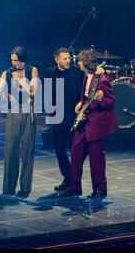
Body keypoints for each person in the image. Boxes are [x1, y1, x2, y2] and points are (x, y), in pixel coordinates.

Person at [60, 49, 118, 198]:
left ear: (85, 63)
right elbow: (87, 96)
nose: (77, 63)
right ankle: (74, 187)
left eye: (79, 61)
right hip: (85, 120)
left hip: (96, 124)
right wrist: (82, 103)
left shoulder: (102, 80)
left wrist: (99, 101)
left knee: (96, 157)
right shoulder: (87, 77)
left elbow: (110, 101)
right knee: (76, 150)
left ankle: (100, 188)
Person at [0, 46, 39, 196]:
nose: (14, 63)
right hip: (13, 111)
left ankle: (25, 186)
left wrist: (19, 83)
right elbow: (0, 92)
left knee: (28, 148)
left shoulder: (32, 70)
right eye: (12, 60)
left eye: (16, 60)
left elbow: (33, 92)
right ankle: (8, 187)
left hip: (28, 110)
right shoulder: (6, 74)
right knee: (11, 148)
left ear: (23, 59)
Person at [44, 48, 84, 192]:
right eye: (65, 58)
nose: (68, 60)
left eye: (69, 58)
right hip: (58, 116)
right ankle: (68, 178)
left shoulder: (76, 71)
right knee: (59, 149)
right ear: (57, 60)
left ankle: (75, 183)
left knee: (76, 150)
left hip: (74, 115)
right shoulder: (49, 72)